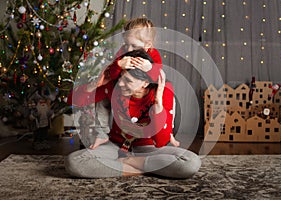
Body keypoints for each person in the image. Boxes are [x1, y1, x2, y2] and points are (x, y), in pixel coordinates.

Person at [65, 49, 201, 178]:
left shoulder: (163, 91)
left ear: (145, 83)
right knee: (74, 162)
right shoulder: (115, 87)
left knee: (190, 163)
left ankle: (131, 163)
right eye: (120, 78)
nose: (121, 84)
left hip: (149, 149)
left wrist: (158, 104)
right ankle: (136, 169)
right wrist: (96, 84)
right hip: (116, 146)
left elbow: (161, 142)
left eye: (128, 80)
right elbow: (73, 100)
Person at [92, 17, 179, 147]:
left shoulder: (153, 54)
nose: (129, 49)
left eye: (134, 46)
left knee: (167, 94)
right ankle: (101, 133)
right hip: (122, 82)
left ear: (148, 45)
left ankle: (169, 132)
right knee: (101, 94)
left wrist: (150, 69)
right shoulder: (123, 51)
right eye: (127, 44)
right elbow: (112, 74)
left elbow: (159, 77)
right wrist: (119, 64)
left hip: (144, 85)